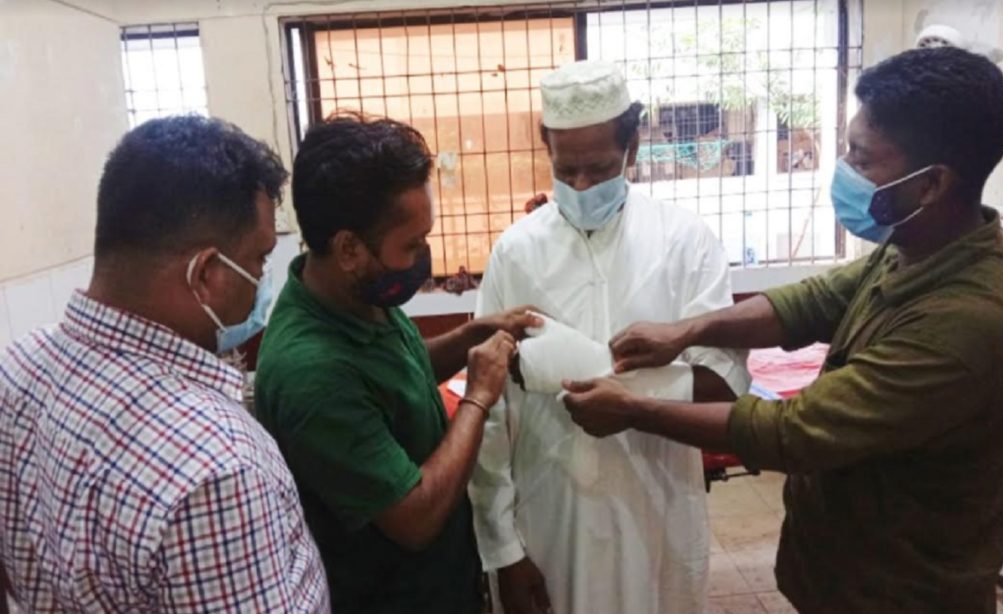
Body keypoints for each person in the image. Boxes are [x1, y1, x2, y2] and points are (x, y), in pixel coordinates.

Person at [561, 47, 1003, 612]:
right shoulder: (917, 245)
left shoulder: (967, 322)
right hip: (846, 575)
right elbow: (812, 301)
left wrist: (634, 411)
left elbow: (796, 432)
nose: (844, 169)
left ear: (931, 184)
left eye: (861, 158)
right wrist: (687, 330)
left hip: (904, 592)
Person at [0, 116, 329, 612]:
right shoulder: (217, 467)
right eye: (260, 260)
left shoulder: (17, 368)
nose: (263, 281)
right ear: (206, 275)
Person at [470, 60, 750, 614]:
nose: (580, 186)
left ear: (632, 148)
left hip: (657, 510)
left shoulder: (684, 241)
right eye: (566, 168)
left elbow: (724, 381)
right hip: (550, 514)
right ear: (546, 148)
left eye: (598, 169)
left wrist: (623, 396)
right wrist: (503, 550)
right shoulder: (516, 252)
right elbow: (492, 408)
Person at [253, 114, 539, 613]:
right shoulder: (312, 375)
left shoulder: (355, 297)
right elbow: (416, 517)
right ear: (349, 249)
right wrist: (478, 396)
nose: (423, 257)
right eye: (411, 245)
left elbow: (394, 375)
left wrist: (470, 336)